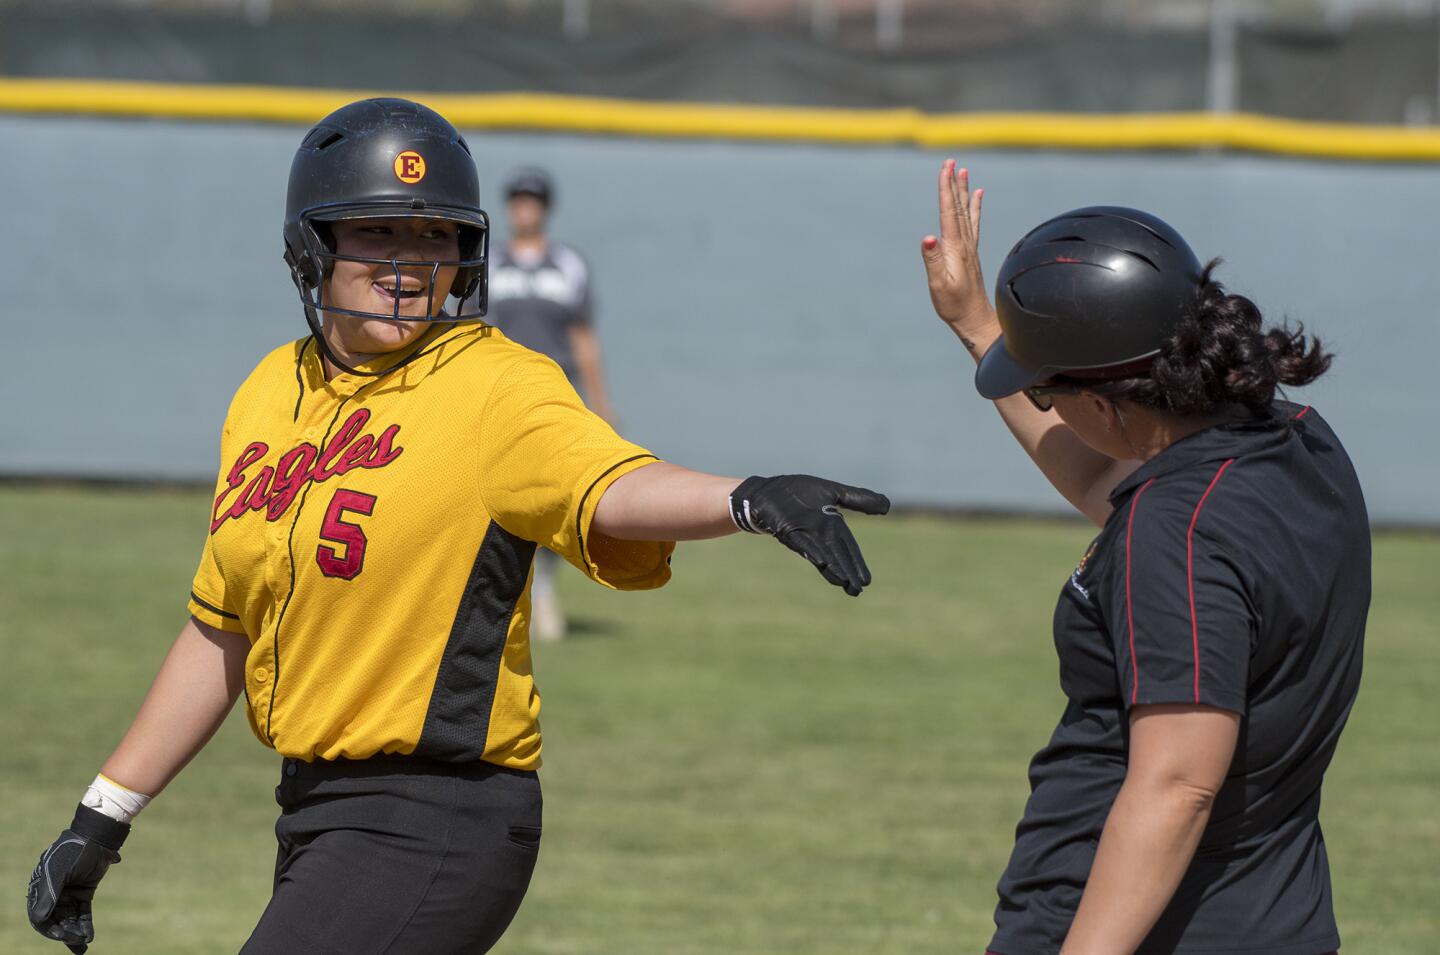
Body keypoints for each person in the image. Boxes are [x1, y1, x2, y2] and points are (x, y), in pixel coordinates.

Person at [26, 98, 889, 955]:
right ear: (311, 247)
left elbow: (612, 483)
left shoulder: (495, 385)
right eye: (378, 233)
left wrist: (745, 496)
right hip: (314, 814)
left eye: (435, 236)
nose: (410, 262)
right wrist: (102, 816)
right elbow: (222, 626)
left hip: (438, 817)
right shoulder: (265, 392)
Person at [920, 161, 1366, 955]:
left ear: (1100, 402)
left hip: (1139, 929)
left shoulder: (1178, 526)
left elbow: (1178, 783)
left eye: (1048, 393)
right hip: (1278, 919)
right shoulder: (1297, 445)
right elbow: (1100, 475)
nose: (1046, 407)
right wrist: (979, 327)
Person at [467, 167, 611, 641]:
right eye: (518, 200)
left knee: (552, 497)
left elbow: (583, 338)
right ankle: (504, 596)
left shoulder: (569, 265)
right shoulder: (489, 263)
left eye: (534, 201)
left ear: (545, 209)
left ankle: (543, 587)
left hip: (556, 399)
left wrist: (600, 403)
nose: (525, 208)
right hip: (497, 396)